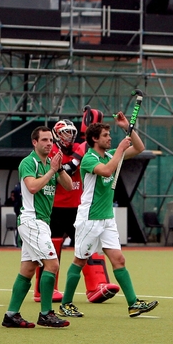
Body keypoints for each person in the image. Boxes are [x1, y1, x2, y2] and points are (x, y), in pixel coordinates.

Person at [58, 116, 158, 318]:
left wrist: (127, 128)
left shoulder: (110, 154)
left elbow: (138, 148)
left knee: (119, 260)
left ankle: (133, 304)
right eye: (105, 135)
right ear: (94, 139)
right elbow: (106, 171)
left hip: (106, 218)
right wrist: (120, 150)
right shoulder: (89, 159)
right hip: (90, 217)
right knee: (80, 260)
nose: (109, 138)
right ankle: (66, 304)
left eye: (110, 134)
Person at [2, 126, 73, 328]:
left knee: (28, 269)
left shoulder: (50, 164)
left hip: (42, 222)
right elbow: (32, 187)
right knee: (53, 265)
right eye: (44, 140)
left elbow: (68, 186)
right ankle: (46, 313)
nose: (49, 143)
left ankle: (11, 315)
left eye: (50, 140)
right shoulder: (29, 162)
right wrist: (52, 170)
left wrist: (58, 168)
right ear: (35, 142)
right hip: (31, 220)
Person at [47, 109, 120, 304]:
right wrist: (75, 159)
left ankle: (98, 285)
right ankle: (46, 289)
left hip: (77, 208)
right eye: (64, 133)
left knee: (89, 247)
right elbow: (64, 173)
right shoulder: (52, 152)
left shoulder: (84, 149)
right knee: (51, 249)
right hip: (54, 208)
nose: (68, 137)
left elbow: (93, 154)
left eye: (71, 132)